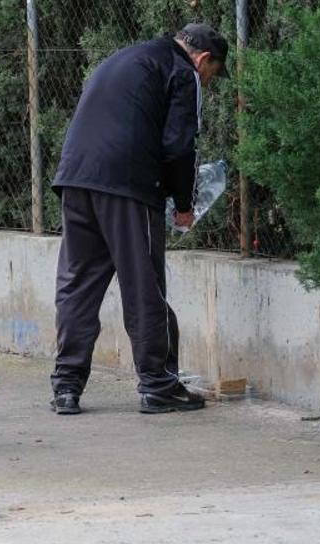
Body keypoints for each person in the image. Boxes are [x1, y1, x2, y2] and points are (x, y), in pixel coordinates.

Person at [49, 23, 228, 415]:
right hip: (128, 184)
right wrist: (185, 203)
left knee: (77, 284)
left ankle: (66, 387)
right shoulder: (183, 72)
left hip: (75, 178)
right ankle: (159, 386)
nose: (207, 83)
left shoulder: (123, 58)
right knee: (144, 284)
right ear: (202, 59)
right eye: (211, 76)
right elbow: (180, 145)